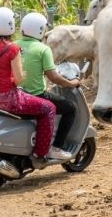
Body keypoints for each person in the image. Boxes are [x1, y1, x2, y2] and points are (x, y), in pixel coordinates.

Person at [0, 7, 72, 166]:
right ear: (10, 25)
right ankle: (42, 153)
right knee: (49, 108)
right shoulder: (12, 48)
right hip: (9, 99)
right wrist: (17, 78)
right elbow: (19, 80)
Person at [16, 12, 81, 151]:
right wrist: (72, 83)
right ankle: (57, 147)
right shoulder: (43, 49)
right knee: (71, 108)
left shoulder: (13, 45)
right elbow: (54, 77)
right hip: (36, 95)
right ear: (40, 30)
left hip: (17, 95)